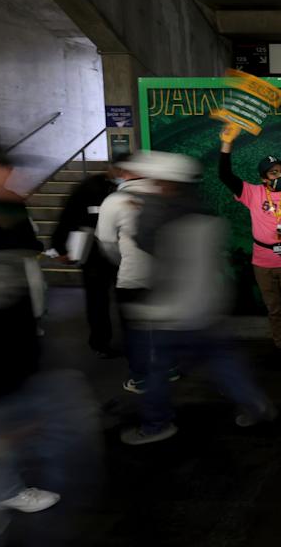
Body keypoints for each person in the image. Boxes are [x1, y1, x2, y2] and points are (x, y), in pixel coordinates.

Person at [116, 151, 275, 445]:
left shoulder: (166, 220)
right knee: (223, 360)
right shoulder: (210, 219)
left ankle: (156, 425)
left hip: (170, 313)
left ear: (171, 185)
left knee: (155, 369)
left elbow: (144, 241)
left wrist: (142, 207)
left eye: (159, 183)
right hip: (208, 307)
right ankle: (256, 405)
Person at [0, 146, 98, 521]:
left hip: (14, 328)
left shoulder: (10, 209)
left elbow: (26, 255)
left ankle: (3, 485)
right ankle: (2, 490)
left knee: (12, 409)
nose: (4, 178)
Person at [219, 125, 281, 357]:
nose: (279, 175)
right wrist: (227, 144)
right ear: (263, 178)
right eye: (273, 172)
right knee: (274, 310)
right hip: (262, 261)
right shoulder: (252, 193)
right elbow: (225, 176)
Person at [95, 154, 173, 393]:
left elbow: (106, 241)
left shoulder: (114, 201)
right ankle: (170, 369)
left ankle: (141, 378)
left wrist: (122, 262)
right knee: (164, 325)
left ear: (122, 172)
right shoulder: (164, 194)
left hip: (133, 276)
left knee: (135, 330)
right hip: (165, 274)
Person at [50, 155, 127, 358]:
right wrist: (60, 247)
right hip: (95, 255)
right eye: (117, 170)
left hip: (124, 254)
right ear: (108, 168)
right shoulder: (89, 188)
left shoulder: (128, 189)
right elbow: (67, 217)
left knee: (126, 297)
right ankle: (100, 343)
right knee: (97, 300)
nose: (121, 175)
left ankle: (131, 339)